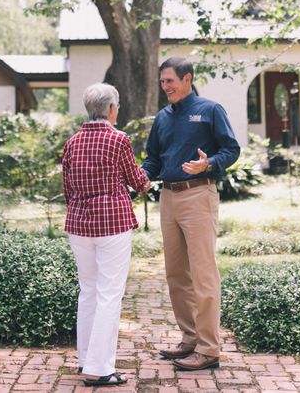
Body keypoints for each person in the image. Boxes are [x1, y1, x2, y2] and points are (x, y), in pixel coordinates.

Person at [143, 56, 241, 371]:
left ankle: (209, 348)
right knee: (176, 275)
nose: (165, 87)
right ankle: (190, 340)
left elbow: (231, 149)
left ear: (187, 79)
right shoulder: (162, 118)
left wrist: (209, 163)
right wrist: (140, 176)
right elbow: (153, 160)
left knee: (203, 274)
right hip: (168, 199)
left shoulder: (211, 110)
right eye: (162, 82)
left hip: (198, 195)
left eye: (169, 81)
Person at [62, 82, 151, 387]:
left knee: (88, 291)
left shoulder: (72, 143)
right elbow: (137, 180)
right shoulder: (119, 139)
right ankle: (99, 369)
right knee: (109, 294)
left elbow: (67, 189)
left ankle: (86, 358)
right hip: (112, 223)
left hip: (79, 224)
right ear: (111, 109)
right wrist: (145, 183)